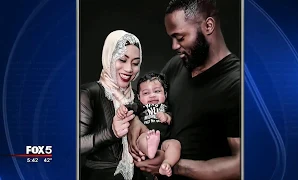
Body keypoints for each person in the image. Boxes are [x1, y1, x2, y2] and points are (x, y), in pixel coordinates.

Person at [128, 0, 241, 179]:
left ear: (208, 26)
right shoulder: (177, 65)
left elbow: (242, 164)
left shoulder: (236, 84)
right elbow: (146, 99)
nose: (174, 46)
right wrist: (135, 120)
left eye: (180, 38)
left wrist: (174, 165)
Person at [80, 30, 143, 180]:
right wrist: (111, 133)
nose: (129, 69)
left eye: (135, 63)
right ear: (109, 57)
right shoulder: (89, 93)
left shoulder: (137, 97)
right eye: (122, 59)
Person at [117, 72, 181, 177]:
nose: (152, 95)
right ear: (139, 96)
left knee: (175, 144)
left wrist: (166, 117)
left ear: (165, 94)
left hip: (164, 142)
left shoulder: (165, 107)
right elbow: (129, 108)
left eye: (157, 91)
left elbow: (170, 119)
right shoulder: (140, 107)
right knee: (143, 138)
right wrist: (123, 109)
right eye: (146, 93)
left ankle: (166, 164)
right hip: (146, 136)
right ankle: (150, 149)